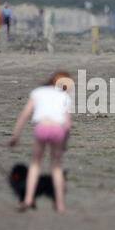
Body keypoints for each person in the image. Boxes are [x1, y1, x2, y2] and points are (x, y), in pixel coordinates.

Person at [8, 71, 72, 214]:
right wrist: (65, 143)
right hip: (57, 129)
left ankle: (28, 199)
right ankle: (60, 205)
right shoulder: (64, 96)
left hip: (41, 128)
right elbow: (67, 125)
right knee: (55, 167)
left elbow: (25, 114)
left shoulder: (38, 92)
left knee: (35, 165)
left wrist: (15, 135)